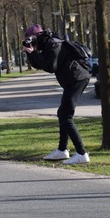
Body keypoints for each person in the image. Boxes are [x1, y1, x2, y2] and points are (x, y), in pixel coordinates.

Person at [23, 24, 91, 165]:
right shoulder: (47, 44)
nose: (30, 41)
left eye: (31, 38)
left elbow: (50, 67)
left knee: (66, 116)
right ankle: (62, 149)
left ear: (38, 35)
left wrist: (34, 53)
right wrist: (30, 53)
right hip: (72, 80)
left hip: (77, 78)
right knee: (62, 114)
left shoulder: (53, 44)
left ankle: (81, 153)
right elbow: (38, 65)